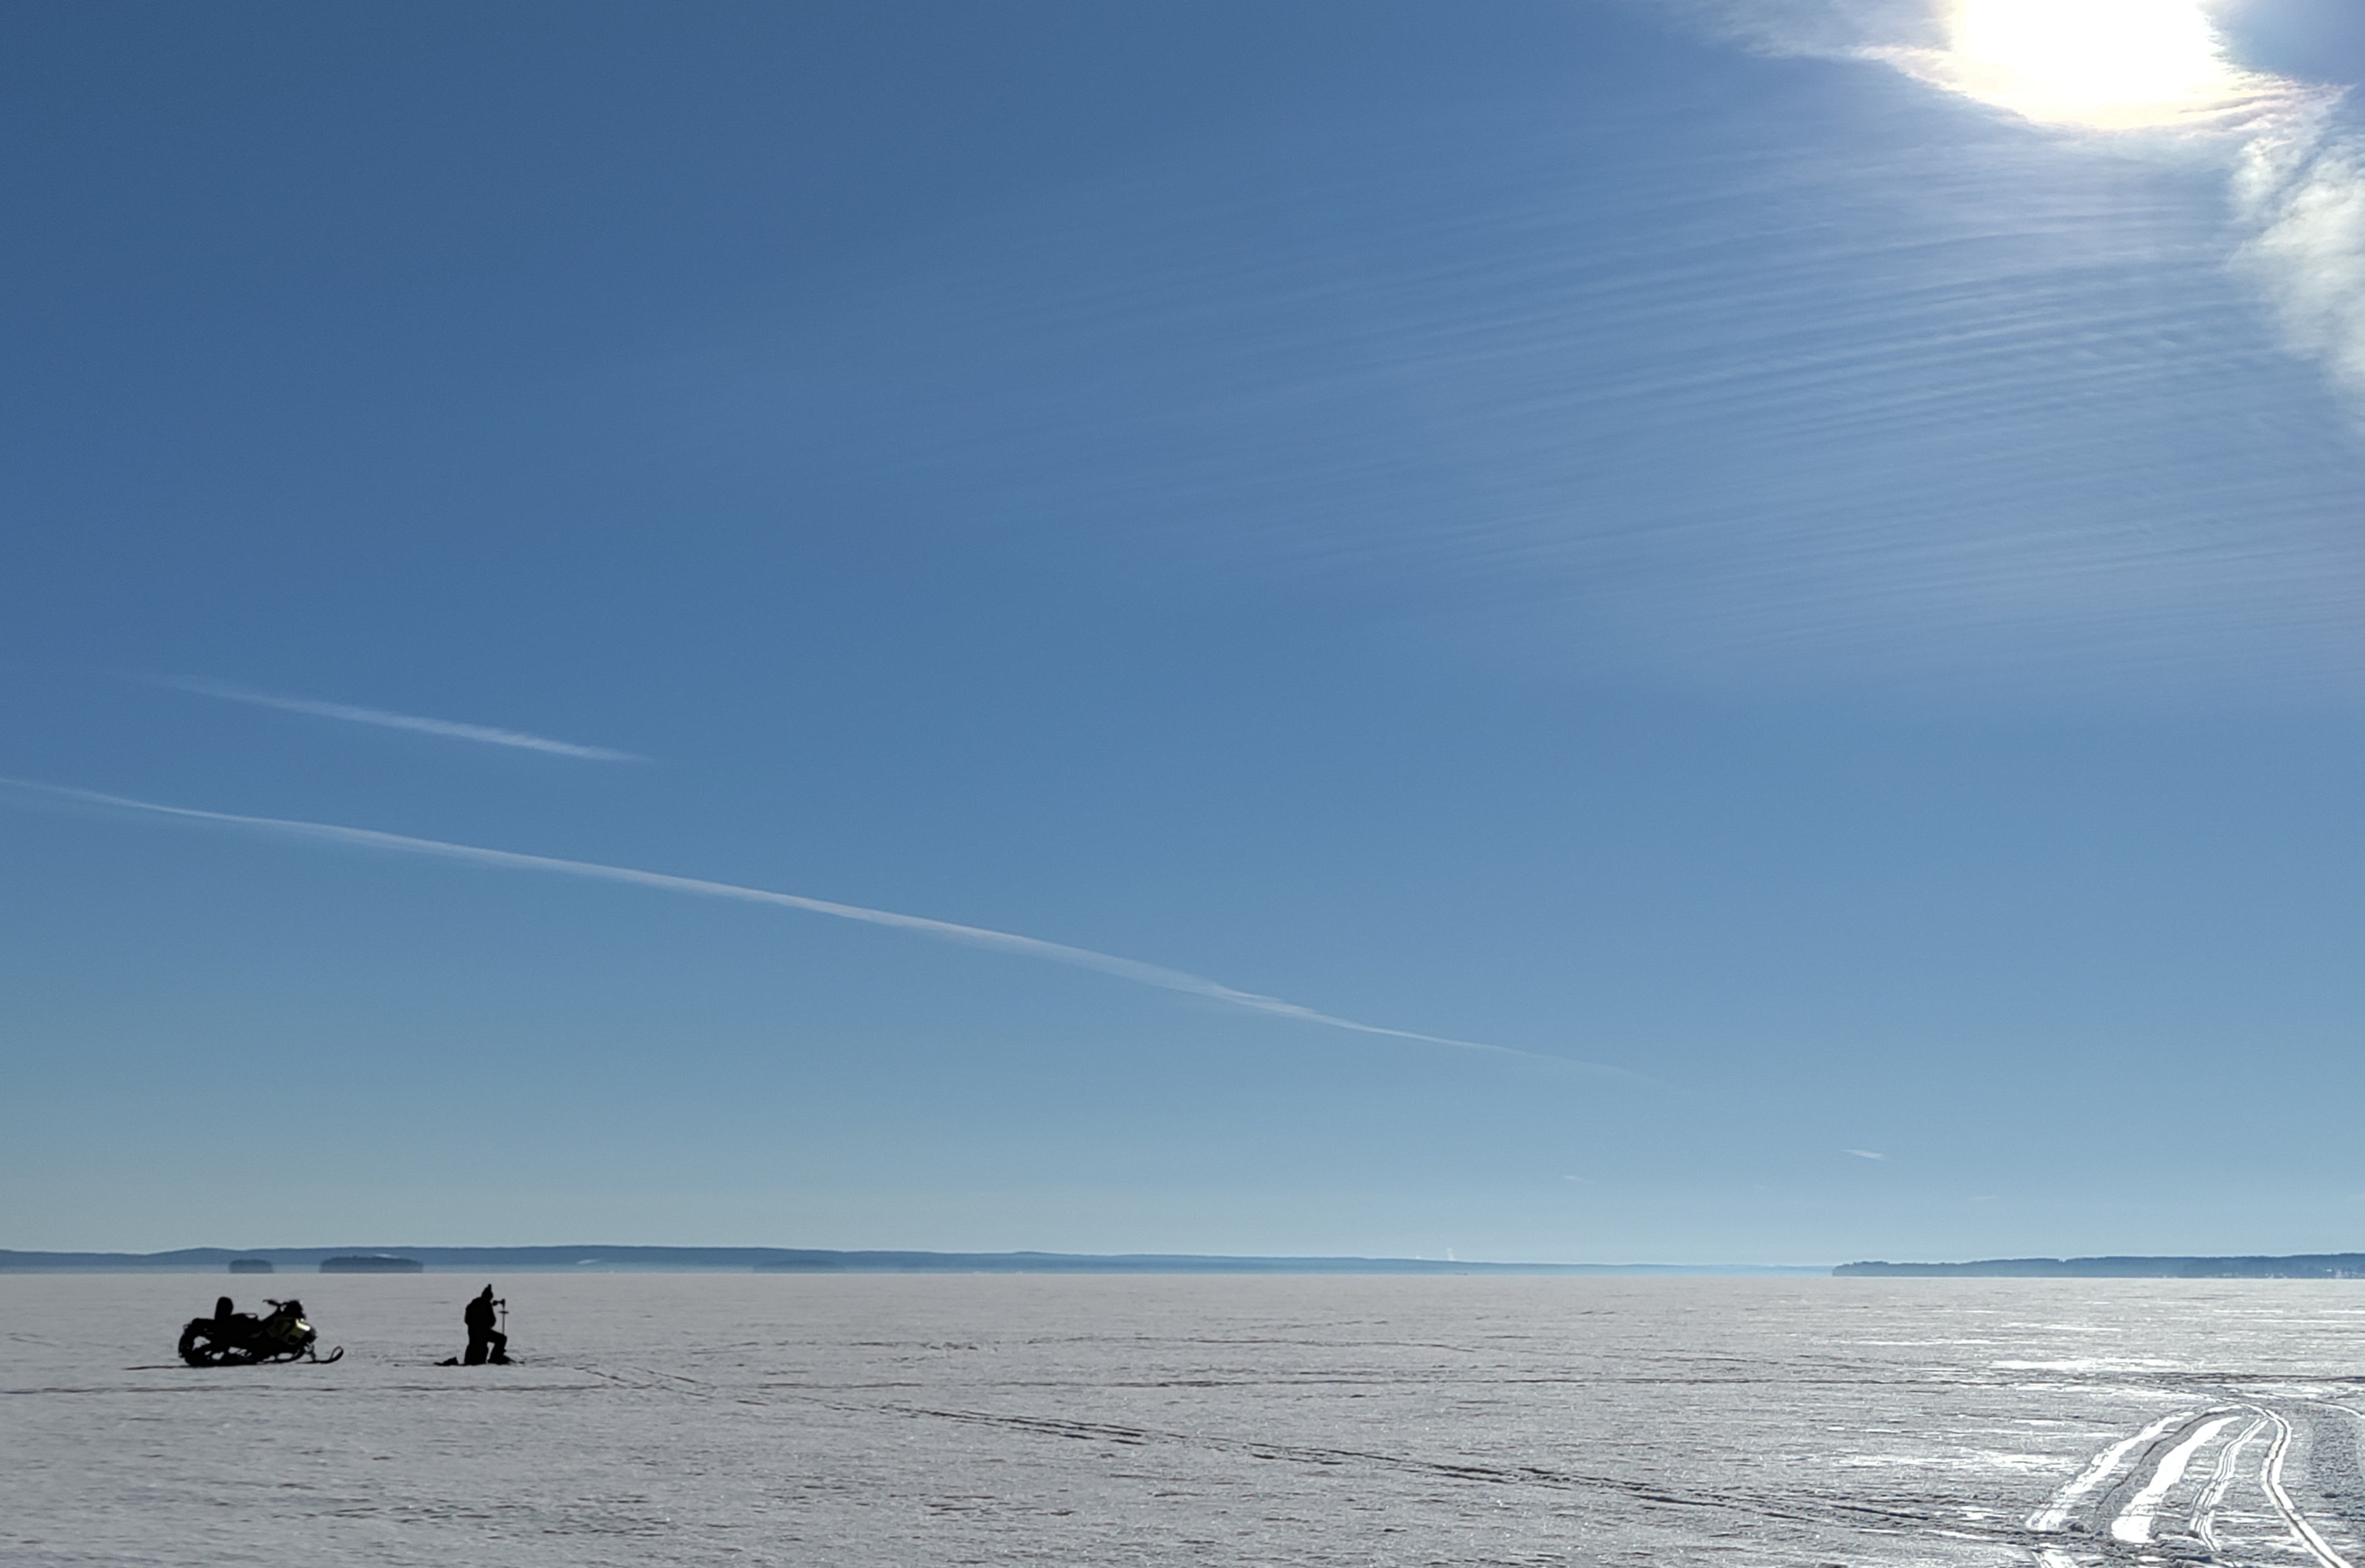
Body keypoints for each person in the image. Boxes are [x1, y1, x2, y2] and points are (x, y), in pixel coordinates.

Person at [462, 1285, 508, 1364]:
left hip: (473, 1332)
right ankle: (495, 1358)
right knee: (502, 1339)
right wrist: (486, 1326)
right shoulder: (486, 1305)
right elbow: (492, 1321)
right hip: (483, 1332)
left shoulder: (472, 1304)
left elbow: (467, 1320)